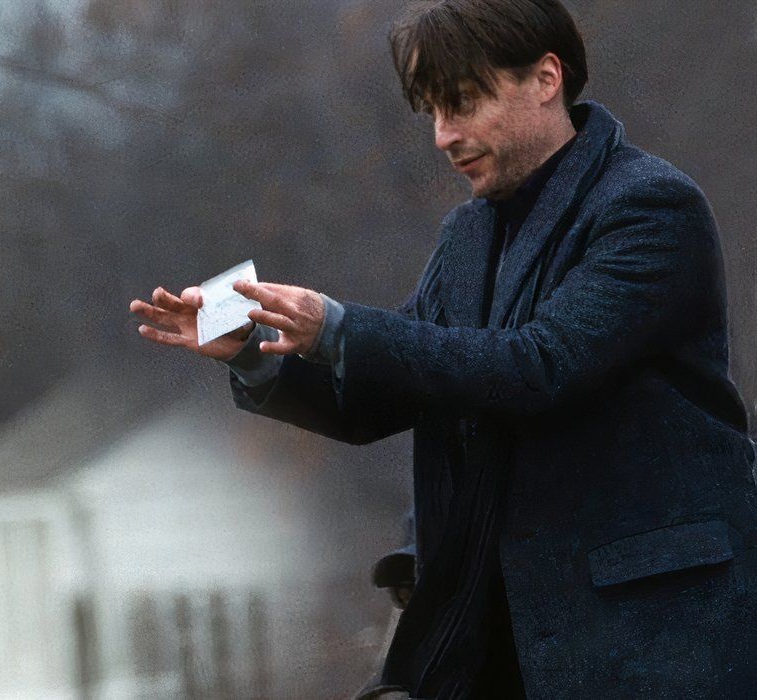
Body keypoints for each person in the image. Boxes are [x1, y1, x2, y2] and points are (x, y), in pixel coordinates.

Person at [130, 0, 757, 697]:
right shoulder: (467, 236)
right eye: (431, 109)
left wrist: (341, 328)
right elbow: (383, 396)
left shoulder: (650, 209)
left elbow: (538, 366)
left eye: (461, 102)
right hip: (496, 643)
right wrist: (248, 352)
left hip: (653, 642)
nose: (442, 135)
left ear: (546, 77)